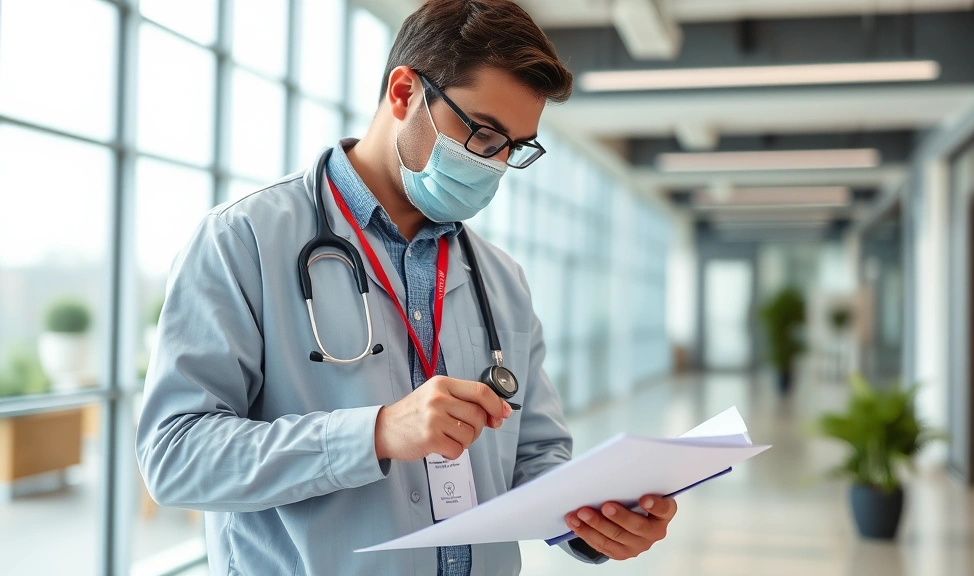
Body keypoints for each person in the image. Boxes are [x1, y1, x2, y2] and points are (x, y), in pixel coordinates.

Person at [135, 1, 678, 574]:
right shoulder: (244, 241)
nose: (495, 165)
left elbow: (536, 454)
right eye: (485, 134)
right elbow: (175, 456)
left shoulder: (501, 278)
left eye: (514, 148)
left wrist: (595, 525)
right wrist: (374, 433)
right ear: (403, 93)